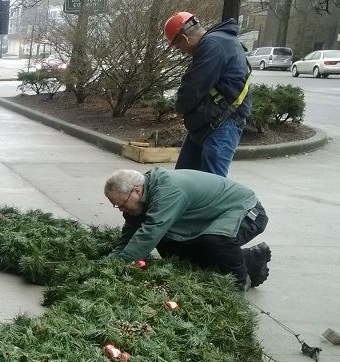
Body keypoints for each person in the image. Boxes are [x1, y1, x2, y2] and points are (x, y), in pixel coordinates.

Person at [104, 168, 271, 290]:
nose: (120, 209)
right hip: (209, 217)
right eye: (116, 206)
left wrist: (120, 264)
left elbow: (150, 233)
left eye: (122, 204)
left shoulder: (167, 192)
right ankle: (246, 259)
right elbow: (129, 236)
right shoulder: (139, 201)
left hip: (246, 210)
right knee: (170, 241)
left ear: (137, 190)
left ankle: (240, 281)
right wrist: (109, 263)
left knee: (217, 239)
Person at [165, 11, 252, 177]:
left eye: (178, 47)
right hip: (208, 123)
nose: (181, 52)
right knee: (183, 180)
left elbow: (193, 86)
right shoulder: (218, 42)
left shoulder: (213, 44)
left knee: (212, 187)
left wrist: (180, 108)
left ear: (184, 38)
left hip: (221, 125)